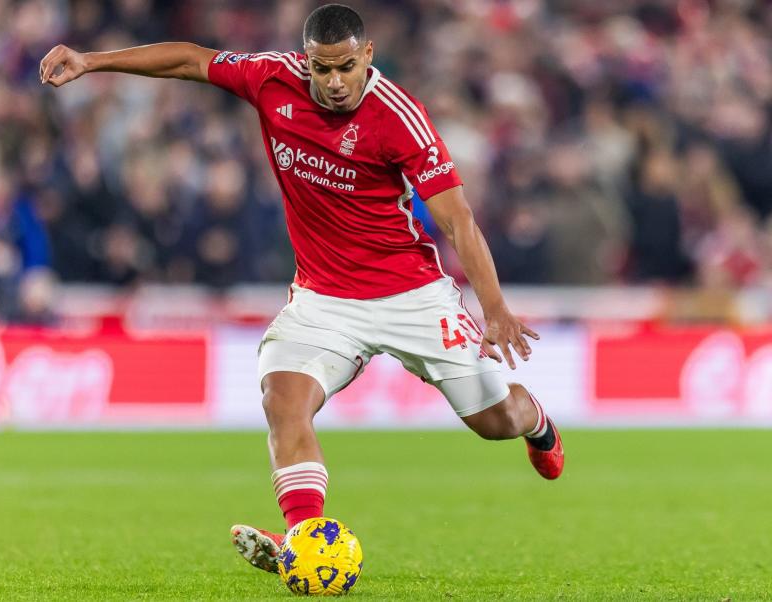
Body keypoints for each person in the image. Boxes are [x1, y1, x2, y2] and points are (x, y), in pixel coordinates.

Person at [40, 2, 564, 576]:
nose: (334, 82)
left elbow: (458, 219)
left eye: (345, 67)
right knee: (282, 400)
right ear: (305, 60)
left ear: (367, 56)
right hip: (323, 299)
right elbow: (191, 60)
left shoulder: (399, 116)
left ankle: (536, 421)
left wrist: (495, 309)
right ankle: (308, 542)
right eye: (322, 69)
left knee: (495, 423)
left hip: (410, 294)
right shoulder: (271, 77)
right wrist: (91, 61)